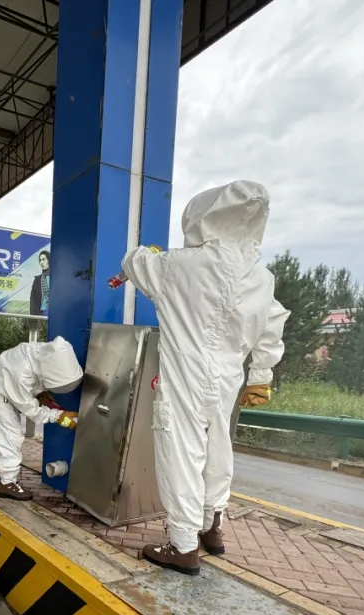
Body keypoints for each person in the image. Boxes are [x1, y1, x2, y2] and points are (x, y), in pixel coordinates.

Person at [120, 181, 289, 574]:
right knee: (218, 450)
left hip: (186, 372)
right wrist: (260, 374)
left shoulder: (178, 265)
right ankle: (213, 527)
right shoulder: (261, 278)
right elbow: (274, 321)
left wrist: (154, 252)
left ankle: (182, 545)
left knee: (182, 450)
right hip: (230, 374)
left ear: (204, 217)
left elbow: (132, 261)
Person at [0, 336, 82, 501]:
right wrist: (60, 416)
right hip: (0, 394)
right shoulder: (22, 372)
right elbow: (33, 412)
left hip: (0, 385)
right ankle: (7, 483)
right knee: (10, 435)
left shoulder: (42, 353)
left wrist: (41, 393)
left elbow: (37, 380)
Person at [29, 250, 50, 316]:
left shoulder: (58, 277)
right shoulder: (37, 280)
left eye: (44, 259)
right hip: (42, 314)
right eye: (40, 260)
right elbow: (33, 300)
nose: (41, 262)